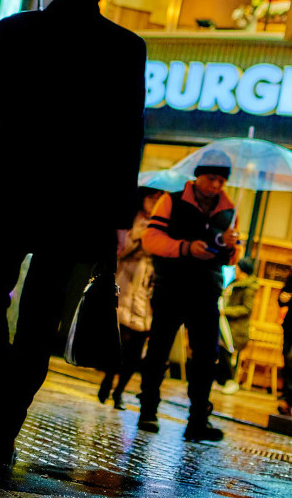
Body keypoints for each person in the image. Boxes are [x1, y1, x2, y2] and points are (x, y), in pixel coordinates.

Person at [0, 0, 146, 481]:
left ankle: (0, 415)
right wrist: (120, 218)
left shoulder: (16, 29)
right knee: (39, 322)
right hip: (78, 203)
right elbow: (127, 138)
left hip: (10, 190)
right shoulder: (126, 47)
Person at [137, 149, 241, 442]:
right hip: (171, 286)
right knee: (158, 350)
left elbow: (233, 257)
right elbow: (151, 239)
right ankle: (148, 410)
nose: (216, 185)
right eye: (211, 178)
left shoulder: (230, 210)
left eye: (222, 180)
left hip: (207, 291)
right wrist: (186, 248)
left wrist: (232, 247)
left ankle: (198, 420)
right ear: (198, 176)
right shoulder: (171, 200)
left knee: (207, 357)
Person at [97, 187, 163, 409]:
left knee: (136, 350)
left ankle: (120, 392)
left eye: (159, 199)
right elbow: (118, 252)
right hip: (125, 286)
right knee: (118, 343)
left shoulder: (162, 223)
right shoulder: (130, 220)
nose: (155, 202)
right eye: (152, 197)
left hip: (146, 292)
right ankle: (108, 380)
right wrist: (138, 235)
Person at [214, 257, 257, 395]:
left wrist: (226, 311)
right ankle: (221, 381)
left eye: (237, 267)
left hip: (235, 328)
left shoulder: (247, 288)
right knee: (220, 351)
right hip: (224, 324)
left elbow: (247, 309)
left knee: (226, 352)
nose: (235, 270)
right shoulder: (234, 283)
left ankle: (230, 381)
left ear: (242, 270)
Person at [278, 274, 292, 415]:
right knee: (287, 361)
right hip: (289, 326)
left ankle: (289, 398)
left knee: (291, 360)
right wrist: (283, 298)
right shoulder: (291, 278)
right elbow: (282, 299)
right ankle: (287, 397)